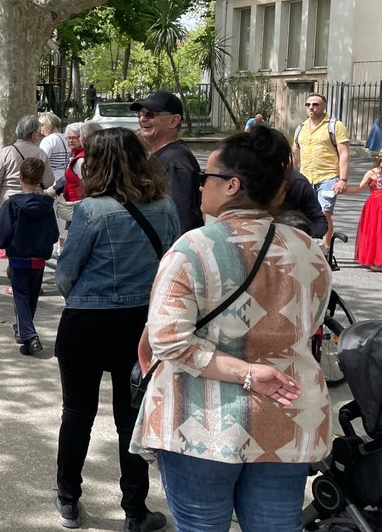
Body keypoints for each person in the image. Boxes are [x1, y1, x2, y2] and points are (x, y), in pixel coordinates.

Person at [132, 126, 331, 532]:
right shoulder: (308, 248)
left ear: (232, 185)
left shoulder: (194, 248)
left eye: (207, 178)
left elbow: (168, 340)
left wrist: (247, 372)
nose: (200, 186)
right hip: (288, 413)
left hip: (202, 418)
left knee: (201, 526)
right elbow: (310, 324)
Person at [52, 127, 178, 532]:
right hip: (139, 323)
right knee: (131, 419)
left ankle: (68, 499)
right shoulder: (166, 206)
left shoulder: (91, 210)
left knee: (77, 414)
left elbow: (65, 276)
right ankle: (135, 511)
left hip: (87, 321)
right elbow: (173, 267)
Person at [0, 157, 59, 356]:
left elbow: (4, 232)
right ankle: (21, 330)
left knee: (21, 296)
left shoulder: (12, 204)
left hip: (19, 255)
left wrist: (4, 244)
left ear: (20, 177)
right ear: (40, 178)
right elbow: (54, 233)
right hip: (39, 257)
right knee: (31, 297)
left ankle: (29, 335)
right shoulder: (47, 205)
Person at [132, 91, 203, 234]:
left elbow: (181, 219)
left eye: (150, 114)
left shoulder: (174, 161)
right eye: (140, 114)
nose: (142, 119)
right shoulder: (164, 156)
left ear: (174, 121)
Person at [291, 92, 350, 253]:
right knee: (303, 213)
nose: (311, 107)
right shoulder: (301, 128)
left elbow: (344, 153)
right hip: (305, 177)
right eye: (308, 104)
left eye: (315, 104)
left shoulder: (335, 126)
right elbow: (295, 153)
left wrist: (342, 179)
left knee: (324, 214)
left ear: (324, 106)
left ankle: (324, 249)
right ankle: (307, 246)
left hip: (328, 176)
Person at [0, 115, 55, 215]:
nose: (39, 136)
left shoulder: (6, 152)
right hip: (34, 202)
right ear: (32, 135)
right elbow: (48, 182)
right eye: (38, 133)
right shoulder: (41, 154)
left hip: (8, 202)